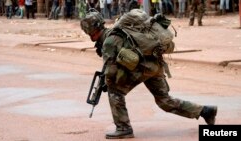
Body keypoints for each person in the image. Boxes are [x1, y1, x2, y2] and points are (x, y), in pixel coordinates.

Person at [80, 9, 218, 139]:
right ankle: (205, 111)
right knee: (164, 100)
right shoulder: (118, 32)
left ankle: (123, 128)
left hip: (143, 68)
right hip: (155, 65)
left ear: (91, 32)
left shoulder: (109, 42)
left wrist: (107, 83)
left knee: (114, 91)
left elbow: (111, 72)